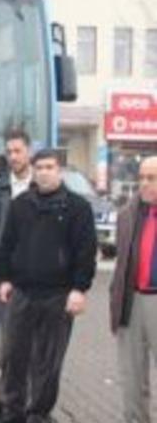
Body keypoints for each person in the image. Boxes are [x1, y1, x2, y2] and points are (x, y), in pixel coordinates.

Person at [0, 149, 97, 423]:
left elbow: (85, 253)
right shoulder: (20, 205)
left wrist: (79, 289)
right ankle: (12, 412)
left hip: (58, 296)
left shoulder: (78, 208)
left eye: (49, 167)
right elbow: (5, 245)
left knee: (47, 362)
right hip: (22, 293)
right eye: (38, 167)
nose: (43, 172)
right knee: (13, 356)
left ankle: (38, 413)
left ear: (60, 170)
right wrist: (4, 278)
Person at [0, 128, 33, 413]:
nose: (13, 156)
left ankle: (28, 403)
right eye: (9, 151)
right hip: (2, 277)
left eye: (18, 151)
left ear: (28, 151)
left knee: (32, 342)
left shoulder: (40, 186)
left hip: (34, 279)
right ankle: (3, 400)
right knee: (6, 340)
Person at [110, 156, 157, 423]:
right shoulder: (127, 214)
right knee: (132, 381)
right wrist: (115, 304)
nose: (144, 184)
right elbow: (121, 264)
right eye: (141, 177)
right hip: (132, 302)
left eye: (152, 178)